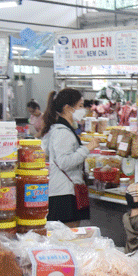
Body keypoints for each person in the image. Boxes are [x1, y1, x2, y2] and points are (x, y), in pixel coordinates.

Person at [41, 88, 100, 227]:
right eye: (80, 106)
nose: (83, 110)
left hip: (62, 191)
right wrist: (87, 148)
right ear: (68, 108)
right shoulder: (63, 132)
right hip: (65, 194)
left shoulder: (58, 129)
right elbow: (64, 162)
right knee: (68, 238)